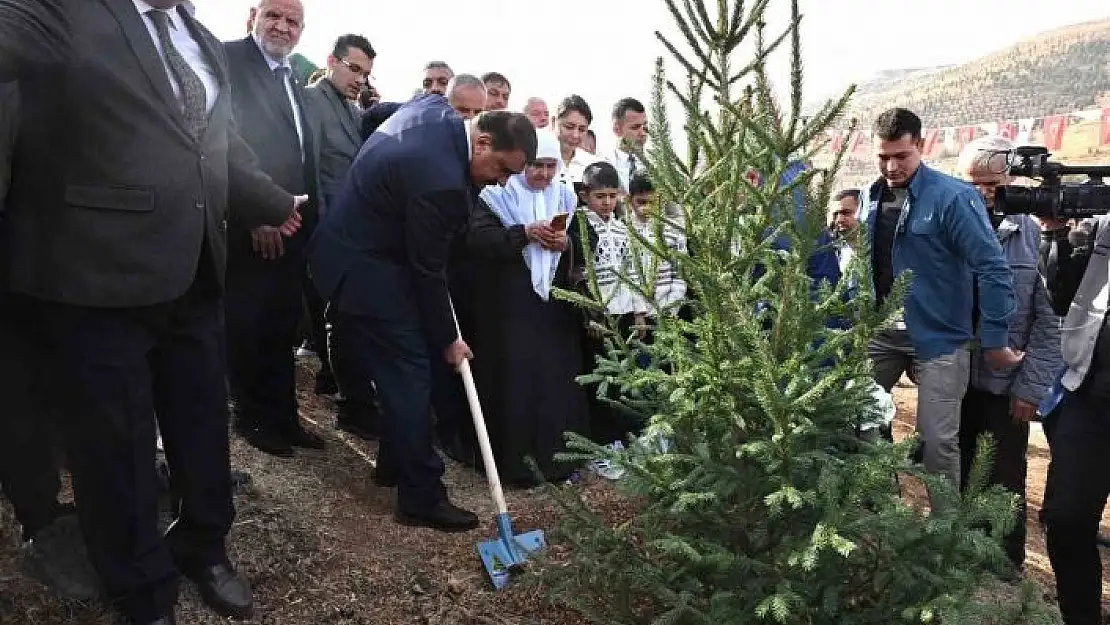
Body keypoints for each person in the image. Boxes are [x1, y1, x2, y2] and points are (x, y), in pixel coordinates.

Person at [0, 2, 305, 624]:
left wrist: (270, 200)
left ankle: (203, 544)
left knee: (201, 425)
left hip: (194, 274)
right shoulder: (63, 12)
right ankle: (140, 586)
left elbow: (215, 141)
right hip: (97, 280)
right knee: (118, 447)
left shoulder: (197, 37)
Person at [308, 99, 537, 531]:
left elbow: (377, 116)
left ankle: (393, 465)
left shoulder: (438, 112)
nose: (501, 183)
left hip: (353, 250)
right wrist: (450, 340)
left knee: (407, 374)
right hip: (367, 273)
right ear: (483, 141)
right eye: (502, 171)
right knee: (412, 377)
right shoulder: (441, 182)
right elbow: (429, 271)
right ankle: (420, 495)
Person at [861, 108, 1018, 490]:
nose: (892, 166)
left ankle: (943, 537)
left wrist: (995, 339)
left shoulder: (954, 198)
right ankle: (880, 517)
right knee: (859, 425)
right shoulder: (870, 195)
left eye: (901, 155)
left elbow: (993, 269)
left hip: (940, 337)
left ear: (920, 145)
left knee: (937, 442)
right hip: (880, 333)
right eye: (883, 157)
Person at [223, 0, 326, 457]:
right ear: (253, 17)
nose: (282, 27)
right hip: (257, 223)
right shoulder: (229, 61)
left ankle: (283, 416)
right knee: (249, 323)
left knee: (283, 323)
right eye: (274, 17)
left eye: (292, 22)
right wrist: (258, 213)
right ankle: (251, 417)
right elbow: (227, 143)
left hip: (295, 223)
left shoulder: (293, 78)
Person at [955, 135, 1061, 572]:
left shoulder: (1034, 234)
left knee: (1004, 481)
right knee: (958, 472)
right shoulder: (953, 227)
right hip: (957, 380)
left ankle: (1003, 570)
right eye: (973, 183)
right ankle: (957, 560)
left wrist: (1031, 386)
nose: (982, 193)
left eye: (992, 183)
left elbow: (1051, 320)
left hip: (1008, 385)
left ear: (1012, 179)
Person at [471, 131, 589, 485]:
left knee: (555, 386)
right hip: (511, 310)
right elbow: (478, 240)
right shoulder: (495, 196)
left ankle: (559, 463)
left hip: (554, 312)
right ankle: (516, 468)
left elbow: (586, 241)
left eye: (551, 166)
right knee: (515, 386)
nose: (544, 175)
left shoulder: (566, 196)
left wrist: (565, 241)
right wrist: (522, 233)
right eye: (537, 165)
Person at [304, 33, 380, 439]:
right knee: (340, 322)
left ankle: (359, 401)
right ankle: (353, 406)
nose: (359, 80)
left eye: (365, 74)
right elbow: (310, 169)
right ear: (331, 60)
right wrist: (319, 236)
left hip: (353, 233)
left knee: (351, 321)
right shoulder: (312, 102)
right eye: (353, 69)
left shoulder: (353, 111)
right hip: (327, 231)